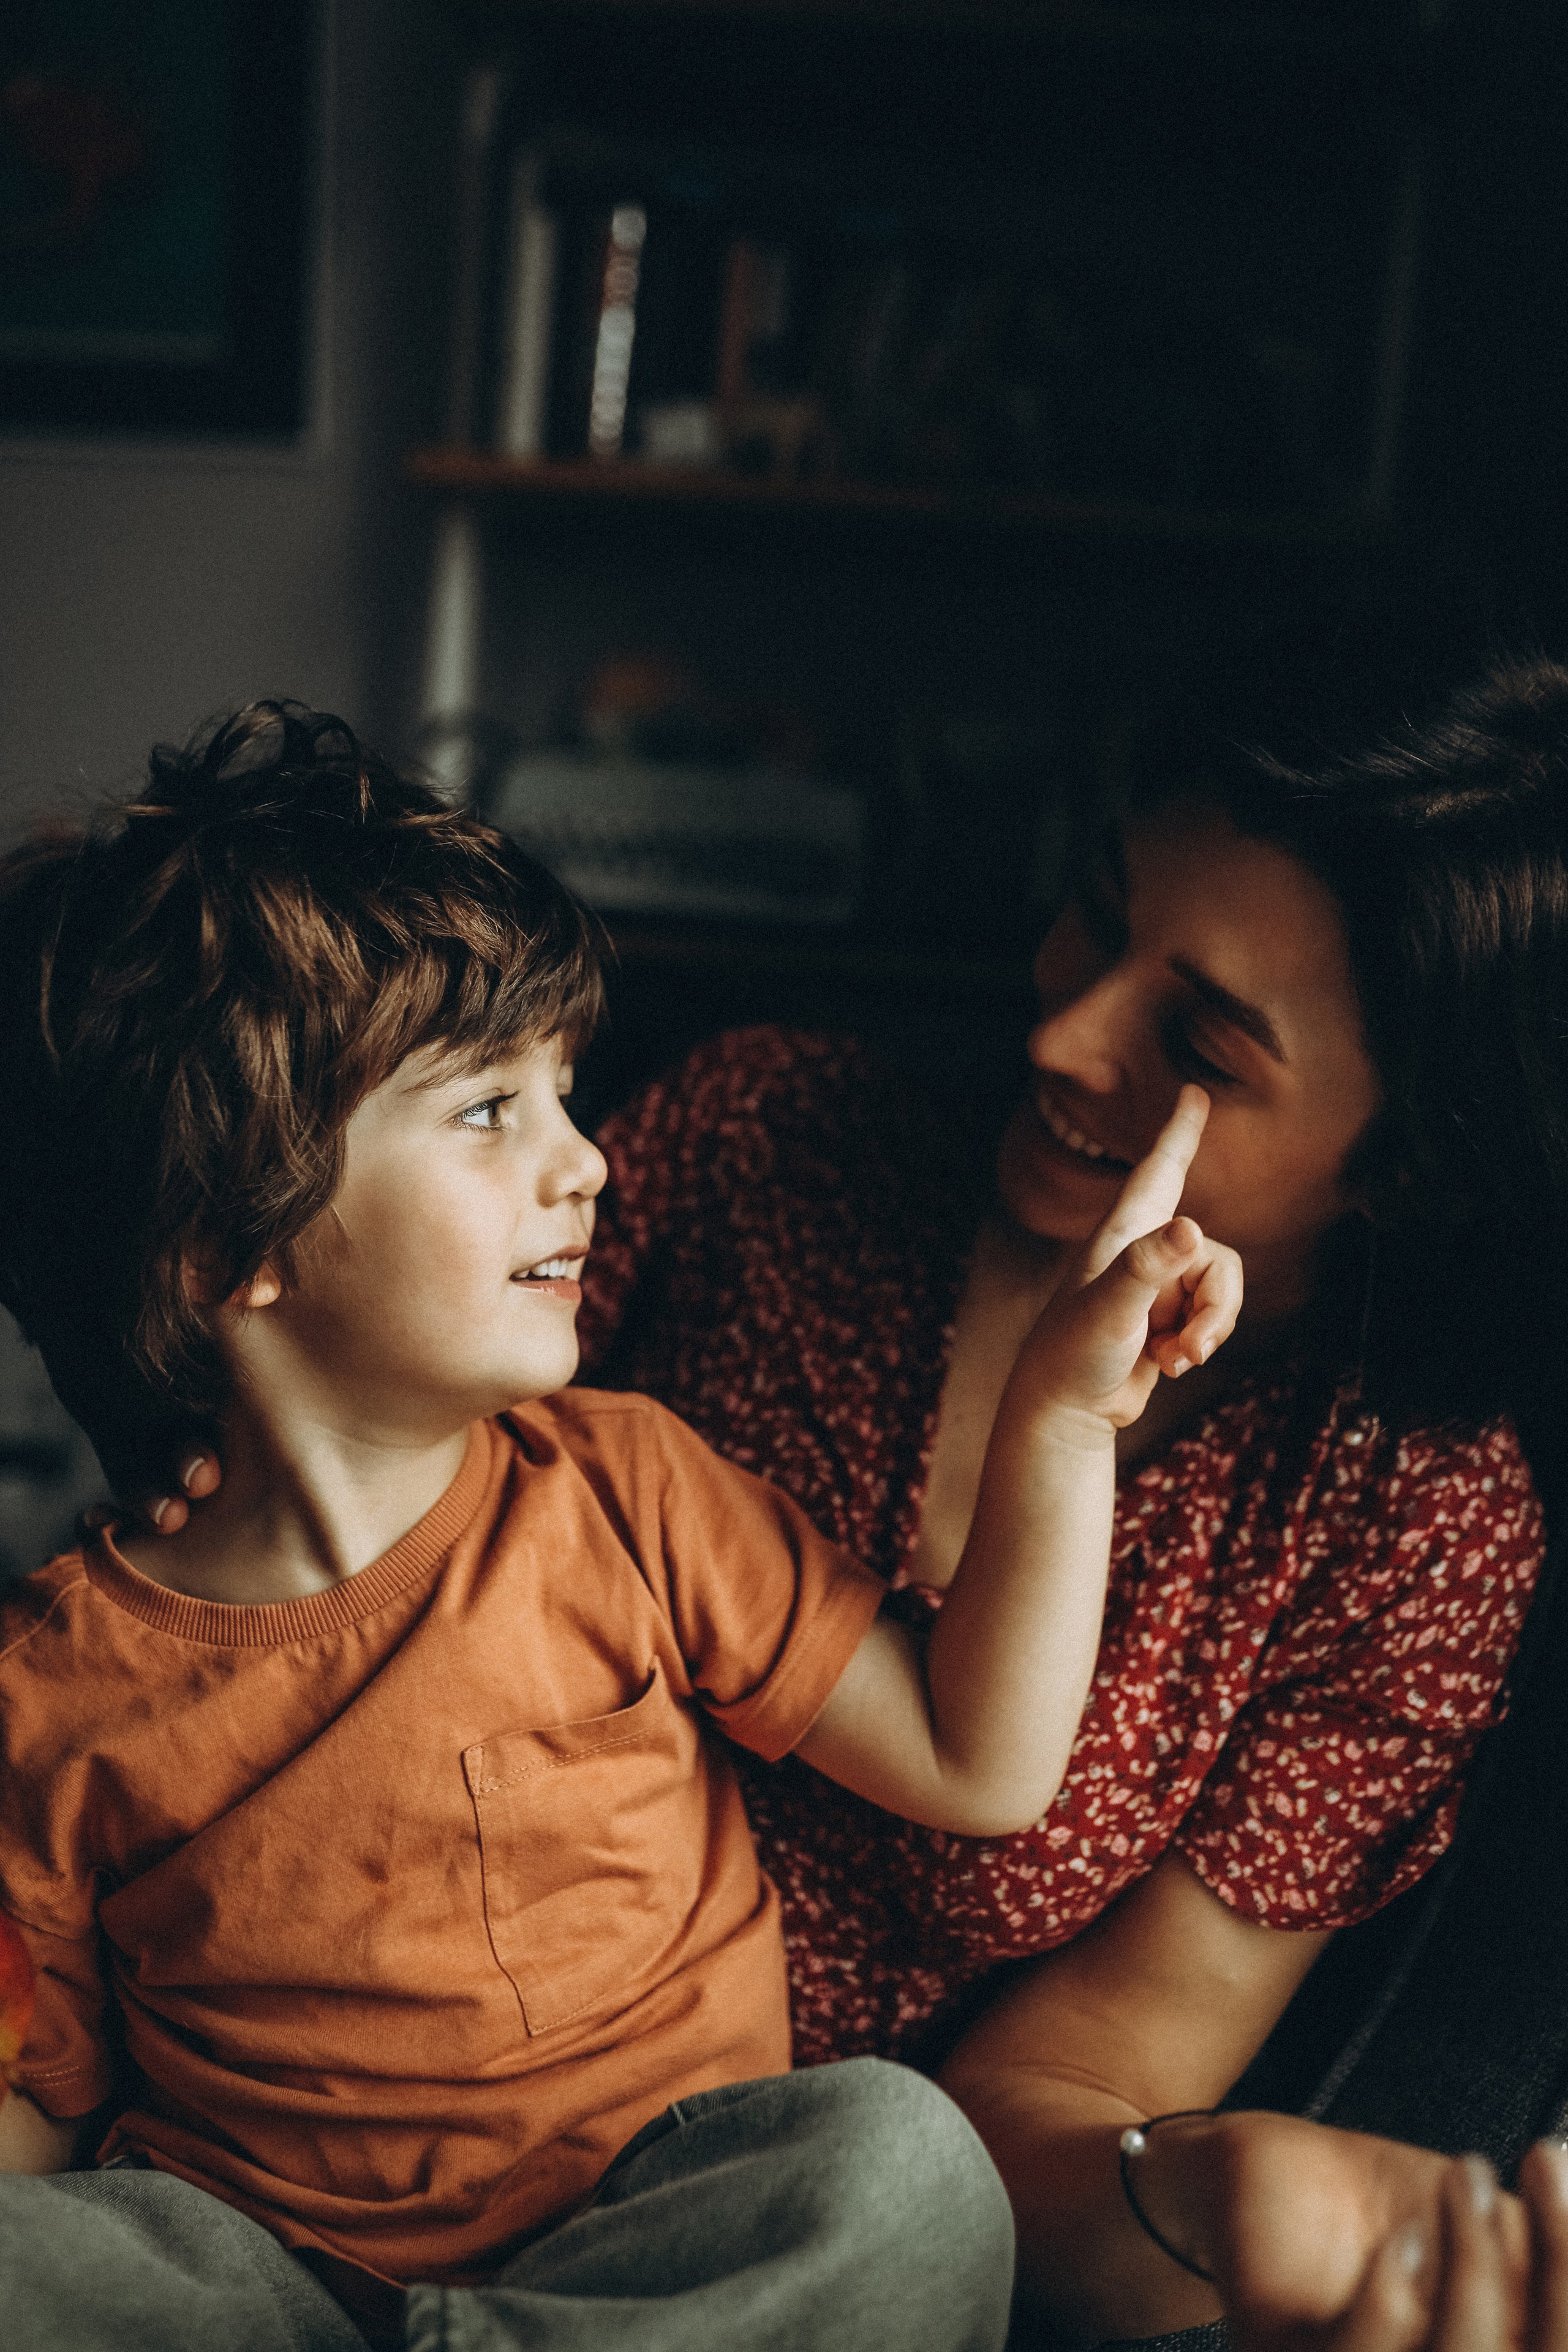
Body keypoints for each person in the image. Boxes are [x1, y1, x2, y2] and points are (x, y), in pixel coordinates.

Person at [125, 647, 1568, 2346]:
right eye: (1094, 919)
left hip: (750, 2242)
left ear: (1407, 1156)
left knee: (893, 2182)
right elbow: (328, 1433)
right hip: (321, 2110)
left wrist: (1221, 2195)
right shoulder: (767, 1134)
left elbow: (1063, 2091)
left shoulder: (1412, 1528)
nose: (1059, 1027)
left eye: (1200, 1044)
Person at [0, 704, 1243, 2352]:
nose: (583, 1161)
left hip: (664, 2249)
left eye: (565, 1094)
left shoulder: (628, 1491)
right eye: (486, 1111)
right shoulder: (52, 1693)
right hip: (262, 2283)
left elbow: (978, 1760)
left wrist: (1065, 1413)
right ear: (231, 1251)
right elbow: (40, 2115)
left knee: (904, 2169)